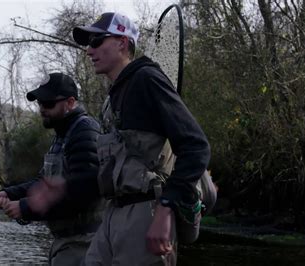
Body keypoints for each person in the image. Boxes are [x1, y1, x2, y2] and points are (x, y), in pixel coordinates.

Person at [72, 12, 212, 265]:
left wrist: (165, 209)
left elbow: (196, 146)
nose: (88, 50)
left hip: (147, 212)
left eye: (96, 42)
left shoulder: (147, 79)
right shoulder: (112, 97)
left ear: (122, 43)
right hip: (114, 212)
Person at [0, 72, 102, 266]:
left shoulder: (85, 131)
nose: (42, 109)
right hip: (68, 243)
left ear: (70, 102)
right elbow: (44, 183)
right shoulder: (62, 135)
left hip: (85, 243)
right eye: (39, 103)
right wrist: (9, 193)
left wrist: (25, 207)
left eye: (48, 103)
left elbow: (84, 193)